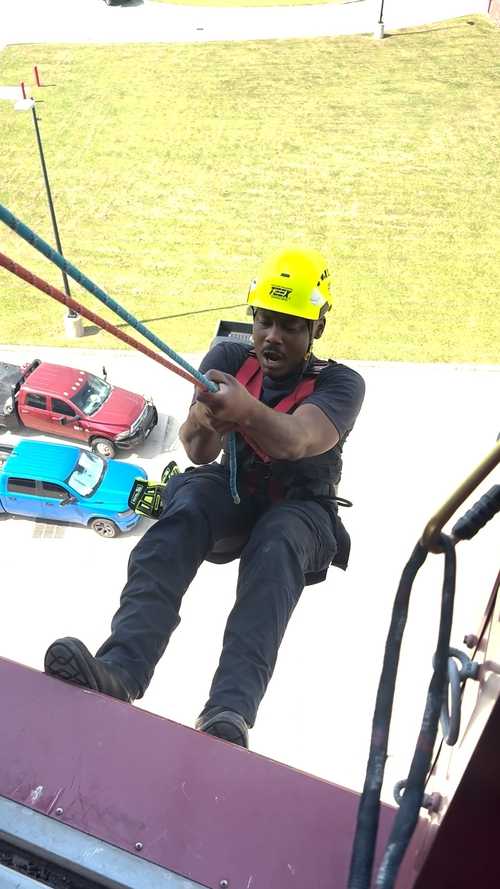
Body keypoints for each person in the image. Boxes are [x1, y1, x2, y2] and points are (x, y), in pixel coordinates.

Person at [44, 246, 365, 748]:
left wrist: (244, 409)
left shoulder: (342, 384)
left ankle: (229, 713)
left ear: (316, 330)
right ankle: (121, 668)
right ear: (252, 317)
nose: (273, 336)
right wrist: (205, 417)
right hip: (235, 488)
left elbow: (299, 440)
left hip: (301, 509)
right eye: (265, 321)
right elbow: (198, 451)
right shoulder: (230, 359)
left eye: (291, 325)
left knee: (277, 545)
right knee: (186, 502)